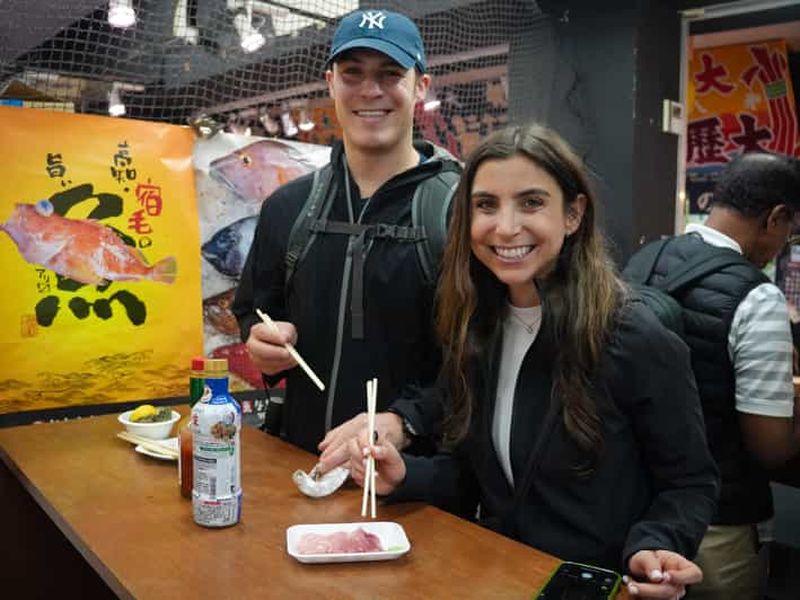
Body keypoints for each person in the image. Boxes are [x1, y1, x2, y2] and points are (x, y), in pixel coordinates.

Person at [348, 124, 719, 599]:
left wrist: (657, 545)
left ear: (573, 214)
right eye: (486, 205)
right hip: (503, 576)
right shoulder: (478, 328)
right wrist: (406, 474)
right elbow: (483, 478)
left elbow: (689, 482)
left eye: (531, 203)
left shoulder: (632, 335)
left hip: (596, 585)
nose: (505, 227)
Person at [232, 9, 461, 464]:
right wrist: (261, 343)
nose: (369, 90)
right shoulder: (288, 208)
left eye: (390, 74)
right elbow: (253, 309)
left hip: (418, 493)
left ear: (421, 86)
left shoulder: (459, 210)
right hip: (303, 471)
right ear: (330, 83)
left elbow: (488, 356)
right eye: (352, 73)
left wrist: (406, 420)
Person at [632, 153, 800, 600]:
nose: (784, 244)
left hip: (641, 514)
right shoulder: (758, 297)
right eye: (789, 231)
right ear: (776, 217)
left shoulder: (645, 259)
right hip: (718, 529)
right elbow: (771, 447)